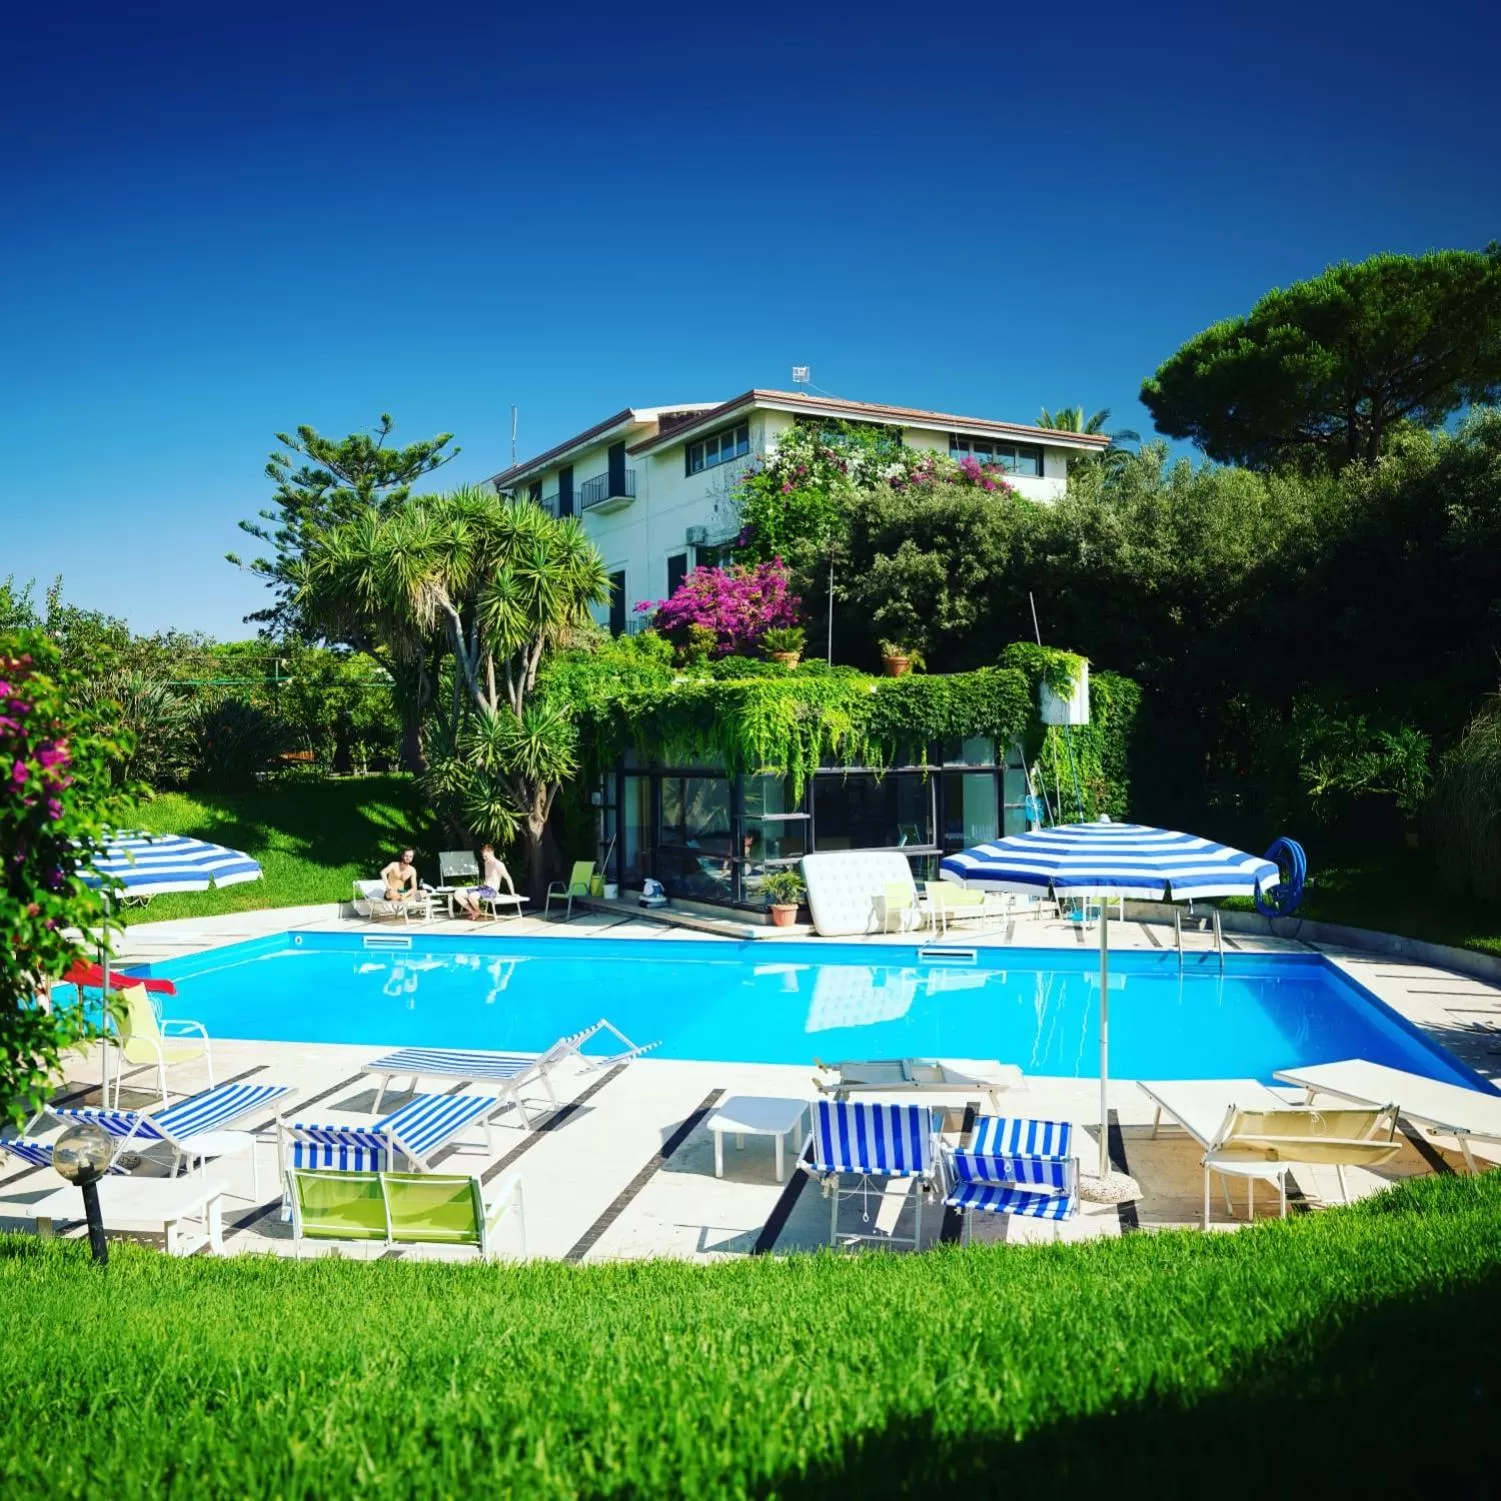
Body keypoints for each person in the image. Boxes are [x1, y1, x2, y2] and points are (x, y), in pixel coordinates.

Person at [453, 843, 507, 920]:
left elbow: (508, 878)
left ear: (491, 852)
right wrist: (482, 886)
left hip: (492, 890)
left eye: (486, 856)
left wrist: (513, 893)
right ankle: (473, 912)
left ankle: (477, 911)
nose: (484, 858)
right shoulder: (486, 863)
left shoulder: (499, 864)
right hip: (483, 888)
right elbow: (487, 878)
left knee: (472, 896)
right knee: (457, 894)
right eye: (483, 856)